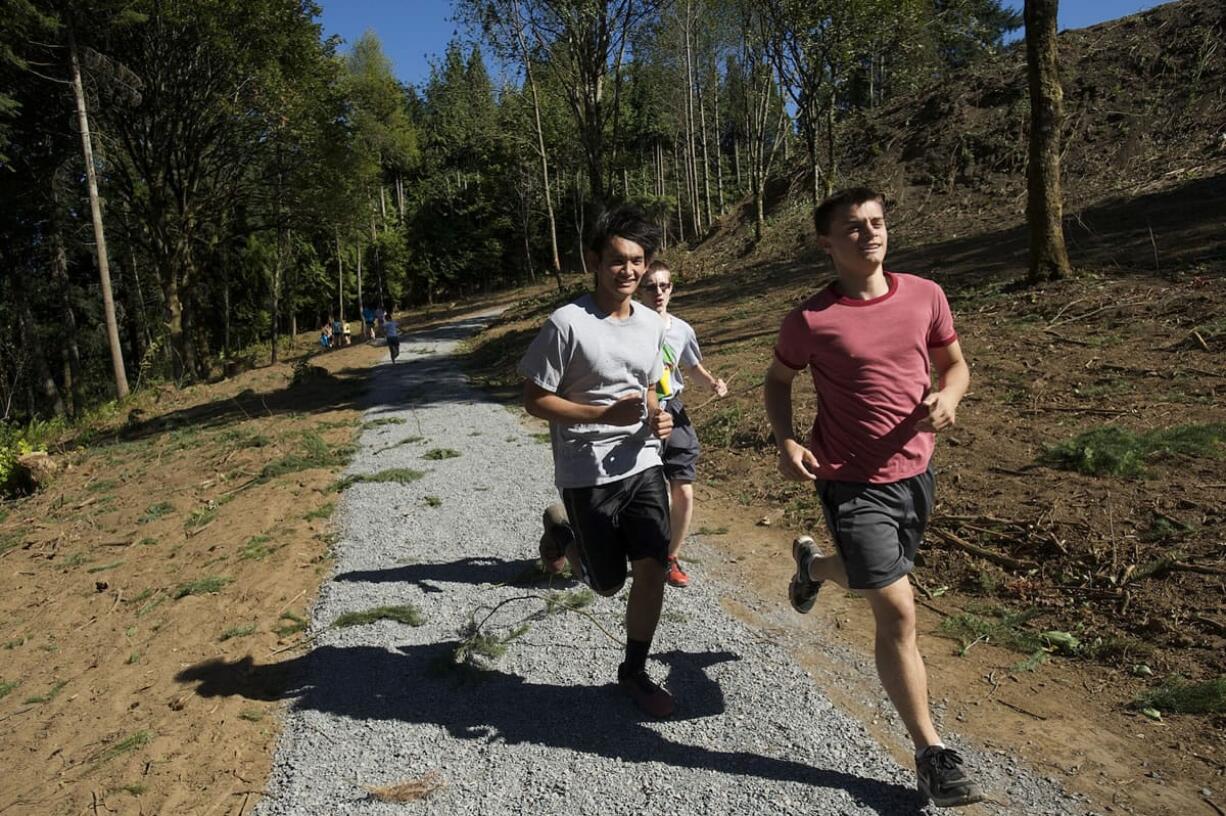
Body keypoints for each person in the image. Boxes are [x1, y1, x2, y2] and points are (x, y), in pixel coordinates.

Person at [763, 187, 982, 808]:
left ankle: (812, 568)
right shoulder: (810, 320)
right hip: (850, 481)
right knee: (898, 611)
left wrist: (952, 397)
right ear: (826, 243)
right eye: (853, 227)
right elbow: (778, 381)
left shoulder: (926, 296)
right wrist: (787, 441)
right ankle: (932, 752)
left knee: (870, 576)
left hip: (916, 475)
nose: (870, 234)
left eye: (877, 222)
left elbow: (956, 365)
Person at [518, 204, 676, 719]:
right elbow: (533, 397)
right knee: (608, 584)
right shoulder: (567, 323)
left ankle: (633, 670)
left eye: (636, 260)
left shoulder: (653, 324)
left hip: (643, 463)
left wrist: (660, 417)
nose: (628, 270)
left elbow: (652, 389)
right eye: (616, 260)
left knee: (652, 564)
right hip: (587, 472)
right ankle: (560, 531)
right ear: (593, 259)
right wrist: (601, 414)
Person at [638, 259, 727, 588]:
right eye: (651, 286)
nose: (658, 292)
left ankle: (669, 556)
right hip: (637, 414)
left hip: (673, 410)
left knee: (684, 491)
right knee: (643, 492)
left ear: (672, 288)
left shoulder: (682, 330)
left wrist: (713, 384)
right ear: (640, 290)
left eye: (665, 285)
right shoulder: (628, 324)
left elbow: (692, 368)